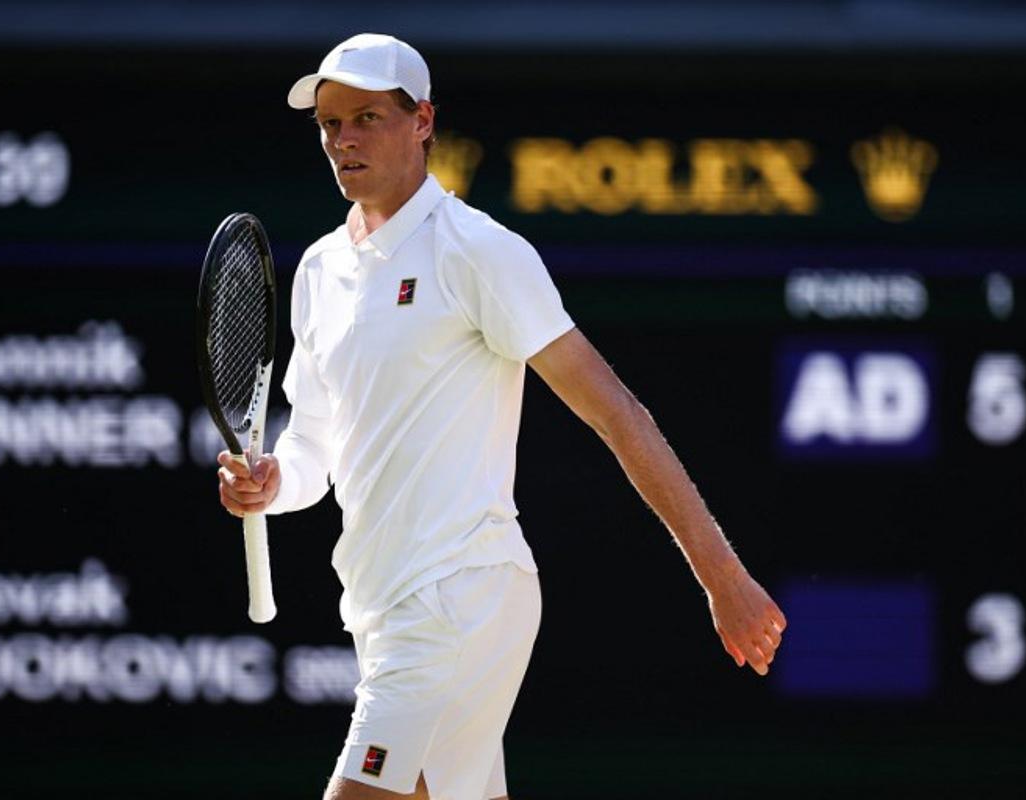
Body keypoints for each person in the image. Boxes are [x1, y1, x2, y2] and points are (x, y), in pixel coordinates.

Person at [217, 33, 786, 800]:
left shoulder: (479, 252)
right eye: (328, 124)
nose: (342, 140)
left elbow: (618, 414)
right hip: (383, 609)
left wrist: (723, 577)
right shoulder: (319, 271)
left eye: (366, 119)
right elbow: (315, 449)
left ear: (422, 121)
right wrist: (272, 484)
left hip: (462, 596)